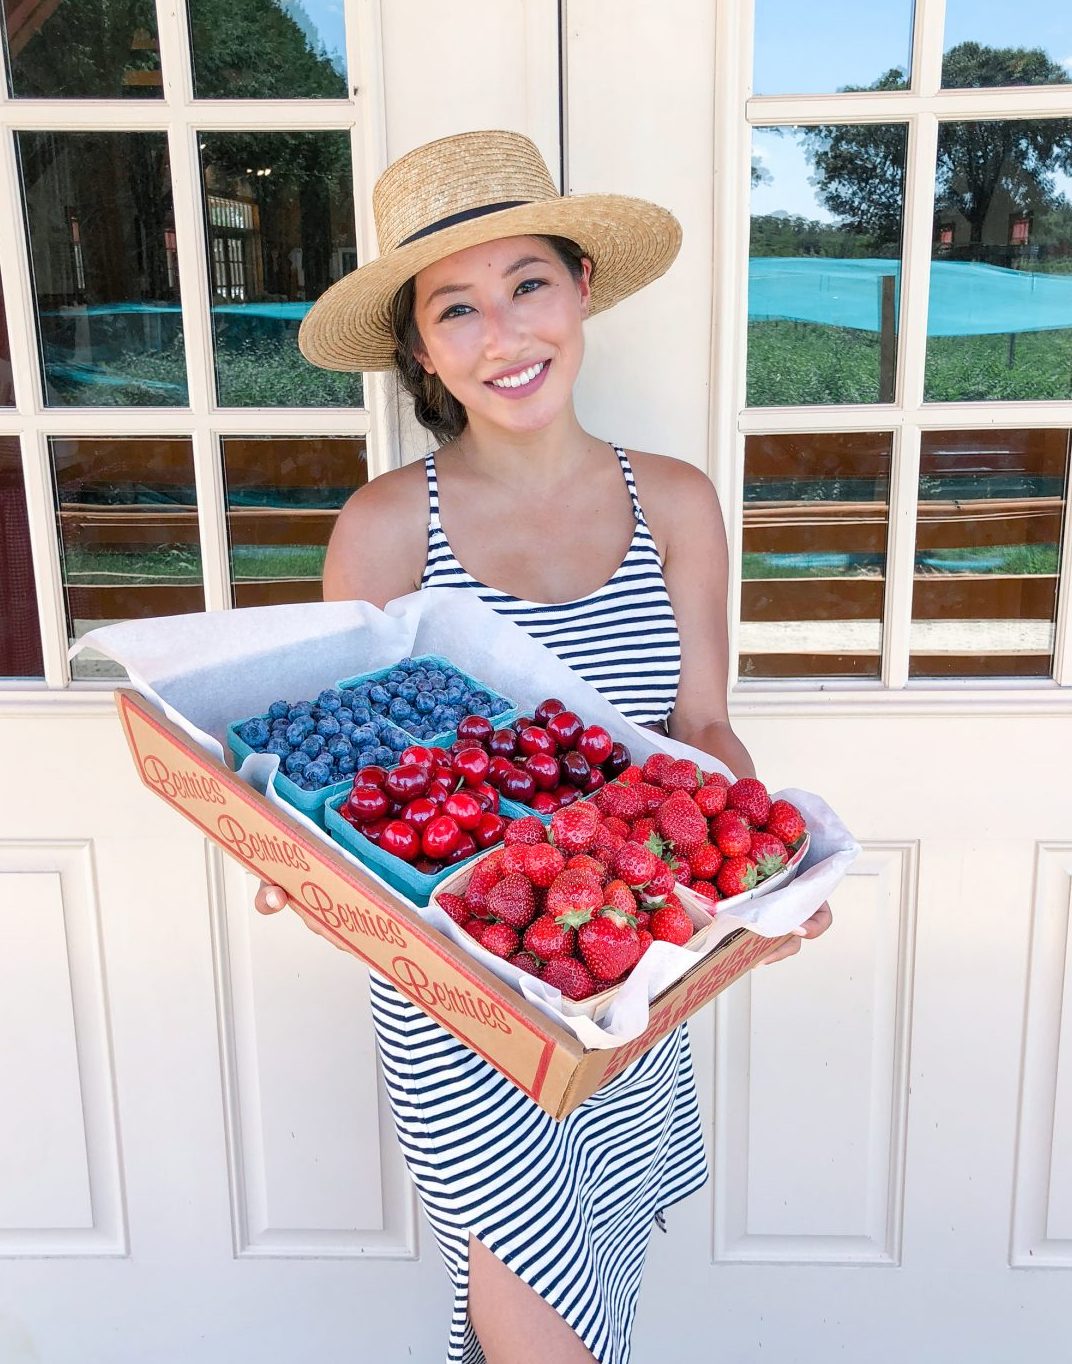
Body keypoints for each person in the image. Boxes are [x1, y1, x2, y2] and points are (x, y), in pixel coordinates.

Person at [254, 130, 831, 1364]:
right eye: (454, 308)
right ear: (420, 349)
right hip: (461, 991)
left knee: (595, 1266)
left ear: (579, 289)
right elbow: (339, 774)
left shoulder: (673, 499)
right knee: (536, 1298)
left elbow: (700, 728)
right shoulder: (386, 522)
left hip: (628, 948)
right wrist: (288, 844)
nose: (502, 332)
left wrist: (765, 871)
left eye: (527, 283)